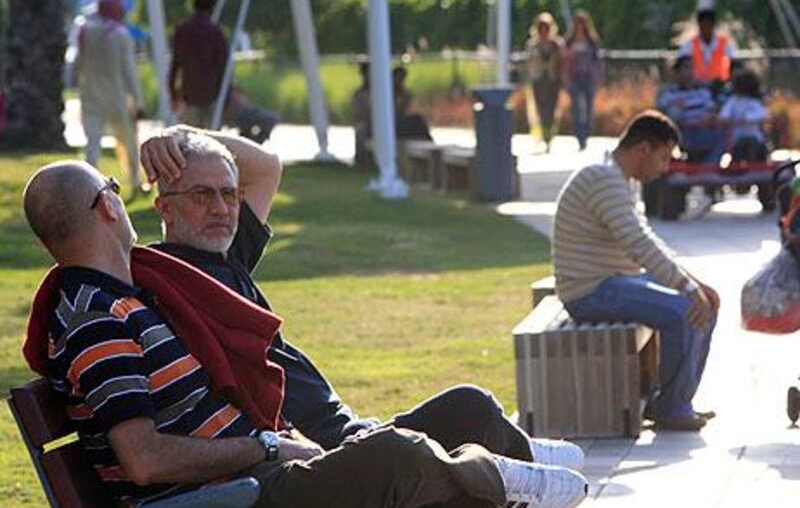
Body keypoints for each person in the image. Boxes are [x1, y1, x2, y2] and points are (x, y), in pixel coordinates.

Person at [22, 160, 589, 508]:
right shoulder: (95, 317)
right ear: (105, 208)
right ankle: (501, 477)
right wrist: (268, 444)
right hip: (229, 496)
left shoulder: (131, 295)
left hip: (260, 472)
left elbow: (257, 167)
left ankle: (503, 480)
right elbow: (143, 461)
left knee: (459, 413)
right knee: (397, 459)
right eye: (115, 188)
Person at [140, 124, 587, 462]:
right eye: (201, 195)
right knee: (472, 410)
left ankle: (520, 459)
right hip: (331, 450)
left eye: (228, 195)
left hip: (355, 431)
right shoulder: (166, 280)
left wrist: (183, 135)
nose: (220, 208)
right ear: (165, 207)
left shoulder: (228, 255)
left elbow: (266, 168)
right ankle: (523, 460)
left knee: (476, 425)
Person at [552, 110, 721, 431]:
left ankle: (673, 401)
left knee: (706, 301)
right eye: (662, 158)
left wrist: (694, 282)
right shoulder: (603, 179)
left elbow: (646, 242)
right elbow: (638, 244)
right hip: (590, 290)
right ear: (642, 148)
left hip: (614, 279)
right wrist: (686, 288)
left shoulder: (619, 179)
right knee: (686, 308)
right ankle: (672, 409)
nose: (665, 168)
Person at [77, 0, 145, 194]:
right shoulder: (120, 34)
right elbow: (129, 71)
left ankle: (89, 184)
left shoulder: (85, 31)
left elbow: (79, 64)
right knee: (128, 139)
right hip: (117, 96)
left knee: (92, 142)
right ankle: (135, 181)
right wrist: (138, 101)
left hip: (91, 94)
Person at [169, 0, 229, 127]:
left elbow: (175, 65)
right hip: (210, 96)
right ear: (212, 7)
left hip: (188, 95)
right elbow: (223, 68)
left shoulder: (182, 30)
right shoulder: (216, 33)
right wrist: (225, 99)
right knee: (210, 143)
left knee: (188, 143)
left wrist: (173, 93)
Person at [657, 55, 725, 164]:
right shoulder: (669, 94)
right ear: (677, 72)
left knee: (724, 133)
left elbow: (713, 109)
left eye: (693, 68)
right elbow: (663, 112)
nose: (690, 72)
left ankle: (708, 168)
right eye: (686, 67)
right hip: (682, 133)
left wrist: (711, 117)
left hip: (704, 130)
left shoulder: (703, 93)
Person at [563, 10, 601, 151]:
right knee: (576, 109)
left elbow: (597, 61)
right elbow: (564, 60)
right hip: (574, 77)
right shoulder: (569, 41)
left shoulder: (591, 41)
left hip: (588, 77)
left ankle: (586, 135)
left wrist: (598, 76)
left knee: (589, 108)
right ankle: (579, 136)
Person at [526, 12, 564, 151]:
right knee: (540, 108)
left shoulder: (556, 44)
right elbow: (529, 63)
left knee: (552, 109)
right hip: (538, 80)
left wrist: (561, 78)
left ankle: (549, 135)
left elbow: (562, 62)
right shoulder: (533, 45)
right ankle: (542, 134)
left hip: (553, 80)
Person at [718, 68, 769, 163]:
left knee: (753, 145)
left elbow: (763, 115)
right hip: (737, 138)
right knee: (740, 147)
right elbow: (723, 117)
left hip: (755, 138)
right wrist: (733, 121)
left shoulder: (754, 102)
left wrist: (747, 118)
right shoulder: (733, 101)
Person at [678, 9, 736, 88]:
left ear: (713, 25)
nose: (706, 27)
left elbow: (730, 64)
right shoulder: (689, 45)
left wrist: (723, 80)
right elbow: (683, 65)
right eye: (704, 23)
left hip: (721, 86)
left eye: (709, 23)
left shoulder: (725, 44)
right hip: (696, 87)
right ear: (699, 25)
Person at [392, 65, 433, 141]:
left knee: (418, 119)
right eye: (398, 78)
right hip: (392, 121)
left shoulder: (406, 93)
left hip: (401, 120)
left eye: (402, 78)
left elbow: (405, 109)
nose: (400, 81)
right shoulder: (387, 94)